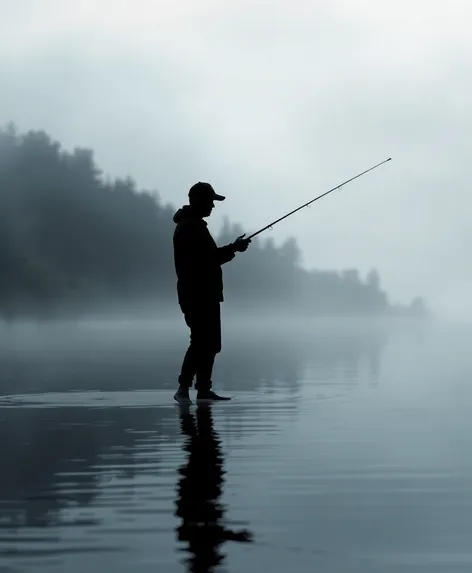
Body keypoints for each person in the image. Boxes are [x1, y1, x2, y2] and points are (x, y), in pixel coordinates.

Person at [172, 182, 251, 403]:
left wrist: (233, 249)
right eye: (210, 201)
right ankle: (183, 389)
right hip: (195, 294)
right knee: (200, 342)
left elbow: (210, 258)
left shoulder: (196, 225)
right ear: (197, 200)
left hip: (206, 293)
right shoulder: (189, 227)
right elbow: (208, 260)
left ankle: (203, 390)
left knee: (211, 343)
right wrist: (234, 248)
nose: (213, 206)